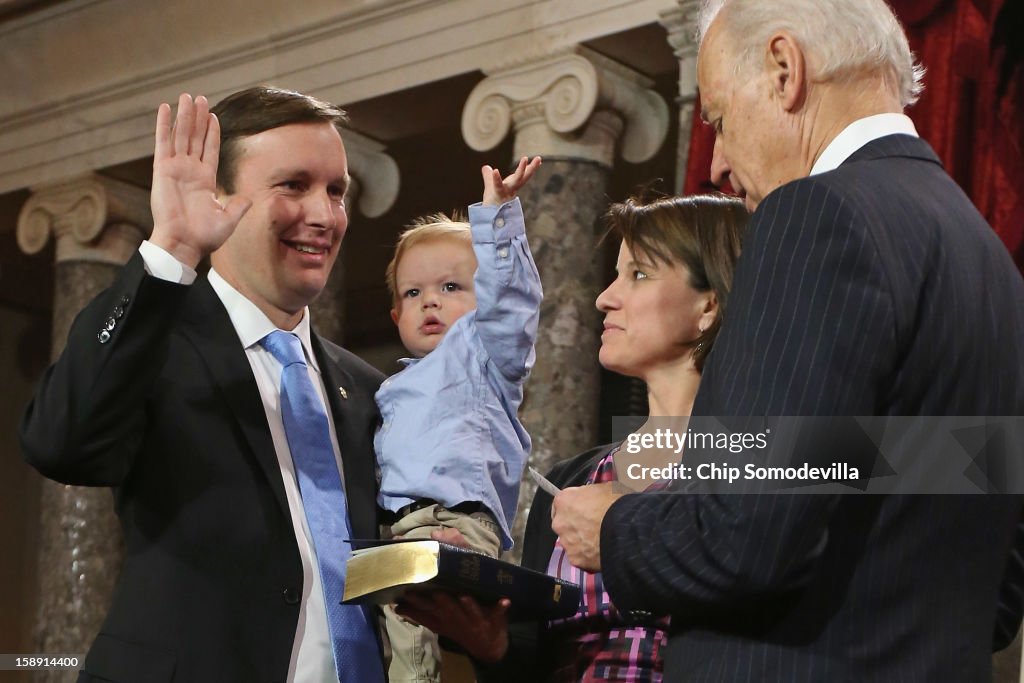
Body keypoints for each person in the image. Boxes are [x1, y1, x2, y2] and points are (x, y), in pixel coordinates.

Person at [550, 0, 1024, 680]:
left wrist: (615, 528)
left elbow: (745, 535)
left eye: (717, 117)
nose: (715, 159)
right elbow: (1000, 585)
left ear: (783, 69)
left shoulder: (815, 215)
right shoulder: (993, 263)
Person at [20, 88, 388, 683]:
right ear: (218, 195)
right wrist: (173, 250)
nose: (324, 215)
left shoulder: (366, 390)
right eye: (293, 185)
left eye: (337, 190)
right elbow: (60, 445)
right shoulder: (155, 340)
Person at [397, 193, 748, 682]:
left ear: (709, 303)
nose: (605, 297)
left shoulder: (774, 455)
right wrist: (493, 643)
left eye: (639, 274)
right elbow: (536, 658)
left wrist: (624, 535)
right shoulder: (572, 480)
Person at [376, 156, 543, 683]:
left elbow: (511, 305)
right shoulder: (387, 389)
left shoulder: (483, 353)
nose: (431, 302)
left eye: (451, 288)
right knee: (402, 652)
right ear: (395, 316)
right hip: (398, 529)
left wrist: (497, 219)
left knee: (441, 654)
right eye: (413, 293)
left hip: (458, 523)